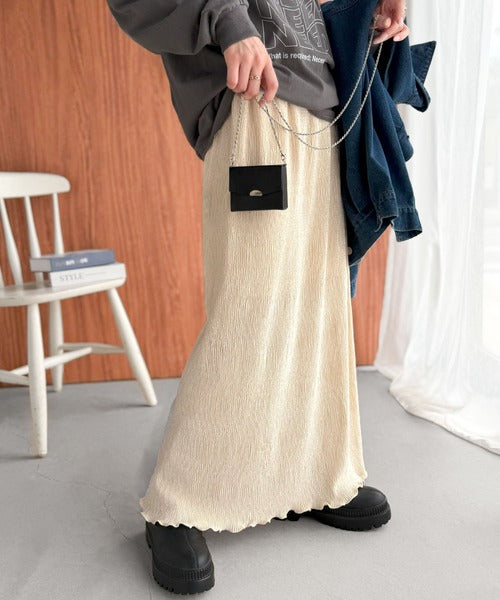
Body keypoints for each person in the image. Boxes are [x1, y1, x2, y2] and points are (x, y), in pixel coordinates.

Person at [105, 0, 409, 594]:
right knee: (249, 312)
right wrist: (226, 20)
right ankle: (176, 504)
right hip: (255, 100)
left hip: (326, 110)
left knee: (316, 311)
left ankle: (311, 478)